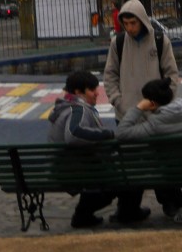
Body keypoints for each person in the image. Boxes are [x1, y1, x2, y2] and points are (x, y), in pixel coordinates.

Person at [48, 69, 148, 227]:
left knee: (121, 169)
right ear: (78, 92)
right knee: (129, 171)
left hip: (69, 168)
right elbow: (74, 134)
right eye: (92, 90)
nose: (96, 93)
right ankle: (126, 211)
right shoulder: (77, 109)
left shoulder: (66, 108)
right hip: (78, 171)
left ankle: (87, 214)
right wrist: (106, 134)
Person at [116, 76, 182, 224]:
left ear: (152, 103)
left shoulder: (155, 123)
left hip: (173, 173)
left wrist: (138, 108)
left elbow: (122, 133)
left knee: (161, 167)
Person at [103, 0, 179, 122]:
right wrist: (119, 102)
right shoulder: (117, 43)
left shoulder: (160, 41)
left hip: (157, 114)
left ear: (142, 21)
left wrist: (164, 102)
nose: (129, 28)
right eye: (126, 23)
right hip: (126, 115)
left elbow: (172, 75)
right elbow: (110, 75)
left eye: (133, 23)